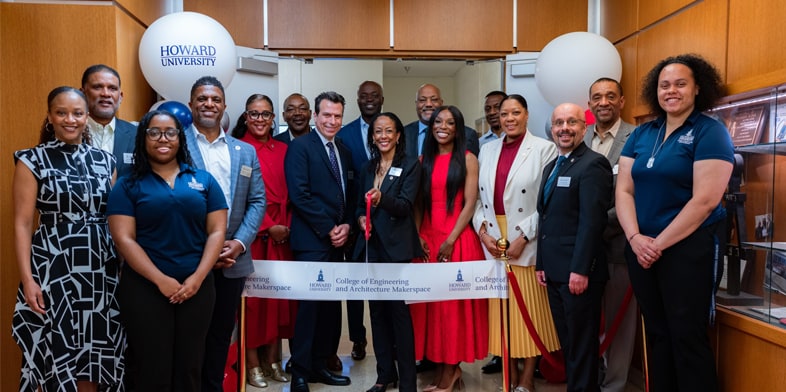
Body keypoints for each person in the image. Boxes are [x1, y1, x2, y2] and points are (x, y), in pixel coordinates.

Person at [616, 54, 734, 392]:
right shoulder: (642, 133)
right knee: (657, 333)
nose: (672, 91)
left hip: (688, 251)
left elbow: (705, 201)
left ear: (697, 88)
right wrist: (636, 237)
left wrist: (657, 244)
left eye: (681, 84)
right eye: (664, 85)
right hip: (641, 250)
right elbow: (624, 189)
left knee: (687, 336)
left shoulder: (710, 132)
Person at [12, 86, 124, 391]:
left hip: (100, 268)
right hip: (53, 266)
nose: (70, 119)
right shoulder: (31, 160)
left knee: (94, 349)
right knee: (55, 346)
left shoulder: (105, 161)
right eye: (61, 112)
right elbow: (22, 224)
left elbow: (115, 218)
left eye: (77, 113)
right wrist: (28, 279)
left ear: (87, 116)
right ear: (50, 117)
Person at [107, 109, 227, 390]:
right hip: (145, 288)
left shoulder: (203, 180)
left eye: (170, 132)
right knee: (152, 366)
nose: (163, 138)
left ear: (180, 138)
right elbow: (124, 239)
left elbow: (217, 231)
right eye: (154, 132)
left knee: (190, 365)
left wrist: (197, 278)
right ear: (143, 138)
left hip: (196, 287)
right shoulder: (128, 184)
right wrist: (160, 280)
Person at [182, 76, 267, 392]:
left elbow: (258, 199)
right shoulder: (176, 143)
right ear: (191, 104)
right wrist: (206, 246)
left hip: (233, 260)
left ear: (225, 106)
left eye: (215, 99)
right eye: (202, 98)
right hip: (190, 258)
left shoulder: (244, 151)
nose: (209, 104)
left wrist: (240, 243)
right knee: (191, 335)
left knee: (221, 334)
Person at [473, 94, 560, 392]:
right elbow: (477, 201)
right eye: (504, 113)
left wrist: (524, 237)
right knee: (500, 314)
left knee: (529, 314)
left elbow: (546, 202)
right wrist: (483, 233)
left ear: (526, 115)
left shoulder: (545, 149)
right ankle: (507, 377)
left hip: (526, 238)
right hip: (493, 238)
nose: (509, 118)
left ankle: (526, 380)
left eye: (515, 113)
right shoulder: (487, 150)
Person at [411, 105, 488, 392]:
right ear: (431, 128)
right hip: (428, 240)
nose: (443, 126)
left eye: (450, 122)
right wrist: (418, 234)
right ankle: (442, 369)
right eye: (437, 122)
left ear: (458, 128)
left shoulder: (468, 160)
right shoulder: (422, 160)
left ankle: (452, 371)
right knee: (431, 311)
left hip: (457, 240)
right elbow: (418, 204)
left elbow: (470, 203)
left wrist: (451, 239)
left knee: (452, 311)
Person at [536, 103, 612, 392]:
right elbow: (546, 220)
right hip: (554, 271)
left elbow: (592, 223)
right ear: (552, 128)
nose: (564, 128)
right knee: (569, 343)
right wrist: (541, 263)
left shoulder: (593, 164)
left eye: (571, 122)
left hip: (579, 274)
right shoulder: (552, 166)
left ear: (584, 127)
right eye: (558, 123)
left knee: (581, 344)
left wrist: (580, 270)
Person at [285, 91, 356, 392]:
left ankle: (320, 365)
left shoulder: (344, 148)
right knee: (309, 308)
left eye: (337, 116)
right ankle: (300, 371)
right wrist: (329, 228)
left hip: (337, 241)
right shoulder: (300, 148)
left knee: (330, 308)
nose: (332, 120)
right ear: (315, 116)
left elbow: (349, 195)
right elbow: (299, 195)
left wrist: (347, 226)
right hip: (312, 241)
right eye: (326, 115)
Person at [352, 112, 421, 392]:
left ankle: (407, 382)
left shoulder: (410, 165)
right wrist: (360, 219)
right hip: (373, 248)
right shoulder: (368, 167)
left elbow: (405, 206)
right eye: (377, 131)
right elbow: (359, 206)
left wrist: (382, 199)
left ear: (398, 135)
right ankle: (384, 376)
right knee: (377, 313)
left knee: (399, 316)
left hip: (397, 250)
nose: (382, 136)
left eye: (388, 131)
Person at [230, 94, 295, 388]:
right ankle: (252, 363)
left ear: (273, 118)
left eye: (265, 114)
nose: (259, 119)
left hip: (284, 237)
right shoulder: (237, 148)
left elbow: (295, 191)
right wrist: (268, 227)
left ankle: (273, 360)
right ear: (245, 116)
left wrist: (287, 226)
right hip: (252, 236)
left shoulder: (284, 148)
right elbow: (235, 199)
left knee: (279, 303)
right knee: (253, 305)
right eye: (254, 114)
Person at [583, 77, 637, 392]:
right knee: (588, 321)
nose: (603, 102)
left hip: (617, 245)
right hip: (585, 252)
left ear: (622, 101)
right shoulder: (580, 135)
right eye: (597, 97)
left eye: (610, 96)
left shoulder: (637, 137)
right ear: (589, 103)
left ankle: (614, 385)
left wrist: (594, 227)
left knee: (620, 323)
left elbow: (635, 194)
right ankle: (591, 380)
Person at [337, 80, 386, 363]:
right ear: (358, 99)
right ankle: (358, 338)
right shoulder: (344, 135)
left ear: (382, 99)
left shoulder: (393, 130)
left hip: (388, 222)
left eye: (374, 96)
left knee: (386, 285)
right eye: (364, 96)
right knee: (354, 285)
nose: (369, 100)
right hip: (355, 221)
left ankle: (387, 341)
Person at [80, 64, 136, 178]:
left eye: (112, 88)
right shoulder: (69, 134)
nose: (105, 93)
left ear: (120, 97)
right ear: (82, 93)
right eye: (97, 87)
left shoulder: (138, 135)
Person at [403, 84, 480, 158]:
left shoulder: (467, 135)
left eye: (434, 100)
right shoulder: (403, 133)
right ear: (416, 104)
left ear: (441, 103)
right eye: (422, 100)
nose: (428, 104)